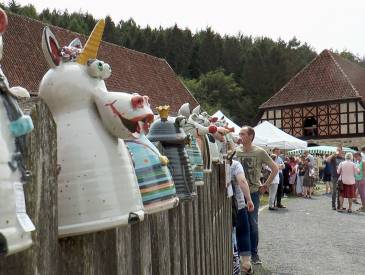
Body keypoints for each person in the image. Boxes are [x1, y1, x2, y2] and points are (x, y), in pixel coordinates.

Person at [236, 126, 278, 265]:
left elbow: (275, 168)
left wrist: (265, 185)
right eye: (239, 133)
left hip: (253, 192)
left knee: (252, 224)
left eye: (242, 133)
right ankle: (240, 253)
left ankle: (254, 254)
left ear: (250, 136)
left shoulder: (259, 152)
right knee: (237, 223)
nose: (240, 136)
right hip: (237, 192)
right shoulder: (235, 151)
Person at [228, 150, 255, 274]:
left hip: (223, 208)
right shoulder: (235, 165)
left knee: (233, 234)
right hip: (237, 205)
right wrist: (249, 199)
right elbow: (242, 181)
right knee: (243, 231)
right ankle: (245, 264)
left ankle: (238, 264)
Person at [326, 146, 345, 210]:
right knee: (334, 191)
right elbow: (327, 160)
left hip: (341, 177)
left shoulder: (343, 158)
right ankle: (333, 205)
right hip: (334, 176)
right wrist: (333, 154)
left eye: (339, 150)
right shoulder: (333, 157)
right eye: (337, 150)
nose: (338, 151)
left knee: (340, 191)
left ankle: (339, 205)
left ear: (342, 151)